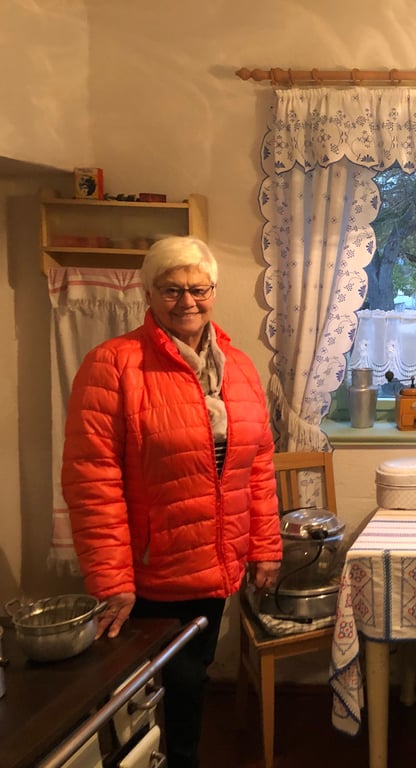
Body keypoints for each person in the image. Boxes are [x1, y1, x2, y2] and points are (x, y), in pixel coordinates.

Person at [62, 236, 282, 768]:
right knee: (146, 697)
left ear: (213, 291)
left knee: (191, 684)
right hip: (150, 572)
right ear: (150, 294)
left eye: (198, 289)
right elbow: (92, 481)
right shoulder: (114, 364)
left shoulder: (240, 367)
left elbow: (257, 467)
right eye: (172, 290)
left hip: (216, 565)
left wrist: (266, 546)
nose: (187, 301)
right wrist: (112, 580)